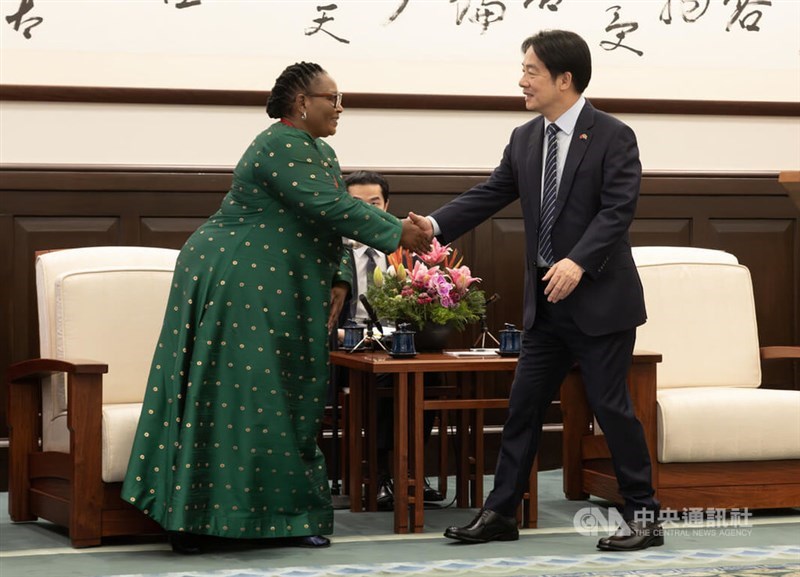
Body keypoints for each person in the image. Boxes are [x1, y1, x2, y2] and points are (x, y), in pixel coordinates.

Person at [121, 61, 430, 554]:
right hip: (236, 277)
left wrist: (337, 277)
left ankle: (286, 517)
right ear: (302, 103)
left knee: (293, 393)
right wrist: (398, 232)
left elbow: (322, 217)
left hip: (283, 284)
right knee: (238, 392)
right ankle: (202, 519)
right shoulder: (279, 143)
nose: (340, 106)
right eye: (333, 98)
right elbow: (330, 207)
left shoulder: (320, 151)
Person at [410, 30, 662, 551]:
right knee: (523, 406)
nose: (521, 80)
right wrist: (435, 226)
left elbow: (618, 211)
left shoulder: (614, 135)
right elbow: (492, 192)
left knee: (610, 406)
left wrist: (578, 262)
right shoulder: (526, 137)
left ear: (564, 79)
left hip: (599, 299)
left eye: (531, 71)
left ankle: (644, 516)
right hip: (545, 301)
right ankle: (501, 513)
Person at [338, 170, 444, 509]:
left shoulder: (408, 253)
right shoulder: (328, 252)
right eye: (357, 205)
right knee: (389, 377)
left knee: (426, 377)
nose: (368, 213)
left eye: (375, 204)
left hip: (397, 349)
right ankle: (386, 473)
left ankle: (410, 471)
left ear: (388, 207)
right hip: (344, 353)